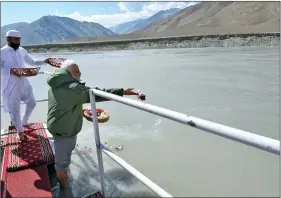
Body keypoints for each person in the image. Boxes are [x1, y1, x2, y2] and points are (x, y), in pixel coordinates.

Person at [47, 59, 140, 188]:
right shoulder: (73, 88)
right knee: (61, 165)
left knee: (63, 157)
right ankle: (65, 189)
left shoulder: (56, 83)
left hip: (57, 125)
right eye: (77, 71)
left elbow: (63, 104)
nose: (80, 73)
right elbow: (96, 93)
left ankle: (64, 175)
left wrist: (81, 110)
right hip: (64, 132)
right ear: (68, 73)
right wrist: (122, 91)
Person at [1, 30, 52, 141]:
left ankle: (23, 122)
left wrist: (45, 61)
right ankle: (20, 131)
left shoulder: (22, 50)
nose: (18, 41)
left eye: (19, 39)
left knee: (32, 103)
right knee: (15, 110)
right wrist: (10, 71)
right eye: (15, 39)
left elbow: (32, 62)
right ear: (8, 39)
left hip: (24, 82)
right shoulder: (2, 52)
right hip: (11, 85)